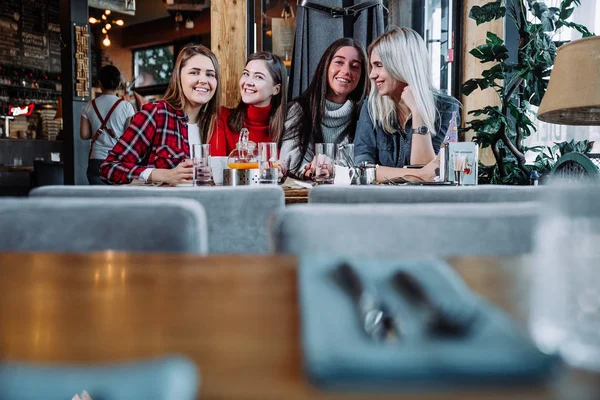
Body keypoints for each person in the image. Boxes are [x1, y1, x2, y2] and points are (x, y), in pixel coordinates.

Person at [100, 44, 221, 185]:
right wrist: (162, 175)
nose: (203, 80)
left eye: (210, 74)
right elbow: (109, 168)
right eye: (194, 72)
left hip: (203, 205)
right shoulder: (156, 113)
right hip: (163, 205)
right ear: (178, 76)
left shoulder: (215, 122)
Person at [354, 26, 461, 182]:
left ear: (401, 64)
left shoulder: (447, 107)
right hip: (379, 202)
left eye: (379, 65)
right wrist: (416, 176)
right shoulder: (371, 107)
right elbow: (362, 168)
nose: (372, 75)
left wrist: (418, 112)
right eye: (372, 66)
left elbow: (432, 174)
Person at [279, 38, 368, 179]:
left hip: (351, 196)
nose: (346, 71)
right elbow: (290, 162)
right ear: (325, 66)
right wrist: (312, 170)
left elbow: (365, 163)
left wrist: (334, 170)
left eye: (355, 66)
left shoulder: (365, 114)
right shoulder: (299, 109)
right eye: (339, 62)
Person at [210, 52, 287, 156]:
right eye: (246, 74)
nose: (248, 82)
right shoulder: (222, 117)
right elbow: (217, 167)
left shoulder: (287, 126)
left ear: (276, 89)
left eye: (258, 77)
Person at [80, 65, 135, 185]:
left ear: (100, 83)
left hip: (96, 161)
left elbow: (84, 134)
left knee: (97, 202)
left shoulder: (89, 105)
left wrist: (98, 130)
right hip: (117, 162)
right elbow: (129, 138)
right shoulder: (126, 106)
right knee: (116, 202)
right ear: (119, 84)